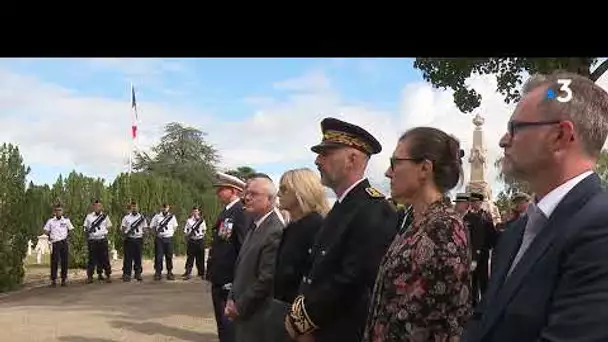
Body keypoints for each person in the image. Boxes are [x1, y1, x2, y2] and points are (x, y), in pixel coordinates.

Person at [462, 72, 608, 342]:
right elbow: (483, 321)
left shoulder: (600, 231)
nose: (504, 140)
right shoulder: (517, 232)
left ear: (560, 136)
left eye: (515, 127)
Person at [284, 117, 398, 342]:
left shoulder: (374, 209)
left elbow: (352, 280)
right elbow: (315, 272)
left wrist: (305, 322)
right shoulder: (342, 206)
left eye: (326, 153)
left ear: (352, 159)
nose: (317, 160)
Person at [363, 127, 472, 341]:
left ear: (424, 168)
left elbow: (421, 321)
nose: (388, 172)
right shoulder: (418, 222)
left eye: (396, 163)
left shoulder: (443, 229)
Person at [265, 168, 329, 342]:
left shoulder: (317, 227)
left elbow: (316, 280)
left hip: (299, 316)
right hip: (280, 308)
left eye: (284, 189)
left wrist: (303, 324)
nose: (279, 193)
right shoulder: (293, 227)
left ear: (301, 190)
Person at [225, 175, 284, 342]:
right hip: (244, 313)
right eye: (246, 193)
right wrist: (232, 298)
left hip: (257, 316)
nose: (247, 197)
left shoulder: (274, 231)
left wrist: (239, 306)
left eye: (254, 194)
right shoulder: (255, 225)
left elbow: (266, 278)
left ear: (270, 199)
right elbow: (242, 268)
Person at [207, 172, 251, 342]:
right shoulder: (228, 212)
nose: (217, 192)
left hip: (228, 279)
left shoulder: (239, 212)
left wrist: (237, 279)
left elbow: (242, 248)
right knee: (222, 324)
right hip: (220, 277)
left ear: (233, 190)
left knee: (229, 325)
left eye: (221, 189)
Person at [464, 191, 495, 306]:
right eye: (472, 201)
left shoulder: (486, 216)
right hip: (471, 252)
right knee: (473, 281)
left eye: (476, 201)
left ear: (481, 202)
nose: (473, 203)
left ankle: (485, 305)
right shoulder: (467, 217)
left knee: (484, 279)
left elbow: (491, 235)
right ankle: (474, 304)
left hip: (483, 253)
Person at [43, 203, 75, 287]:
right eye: (57, 210)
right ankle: (53, 280)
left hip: (63, 242)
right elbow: (46, 230)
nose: (58, 212)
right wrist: (50, 236)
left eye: (60, 210)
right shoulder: (50, 221)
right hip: (55, 243)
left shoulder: (66, 220)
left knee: (64, 261)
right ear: (54, 212)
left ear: (62, 211)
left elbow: (71, 229)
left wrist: (68, 238)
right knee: (54, 262)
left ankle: (63, 280)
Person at [83, 199, 113, 283]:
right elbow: (85, 227)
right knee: (92, 259)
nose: (97, 207)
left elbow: (109, 226)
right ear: (93, 207)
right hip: (92, 240)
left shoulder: (105, 216)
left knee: (105, 258)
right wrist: (88, 233)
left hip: (102, 239)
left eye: (99, 206)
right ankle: (90, 276)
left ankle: (107, 275)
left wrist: (103, 232)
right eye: (96, 206)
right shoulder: (89, 216)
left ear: (101, 207)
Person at [120, 201, 147, 282]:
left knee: (138, 257)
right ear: (130, 208)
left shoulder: (142, 218)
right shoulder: (126, 218)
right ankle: (127, 274)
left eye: (135, 206)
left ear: (138, 207)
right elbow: (123, 228)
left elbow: (145, 229)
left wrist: (145, 239)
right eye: (132, 207)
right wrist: (123, 236)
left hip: (138, 239)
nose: (134, 208)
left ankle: (138, 273)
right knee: (128, 258)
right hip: (129, 239)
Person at [150, 203, 178, 281]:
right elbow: (152, 226)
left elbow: (175, 227)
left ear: (168, 208)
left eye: (166, 207)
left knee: (169, 256)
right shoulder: (157, 216)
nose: (165, 208)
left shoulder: (172, 217)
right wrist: (156, 235)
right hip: (159, 239)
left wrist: (169, 233)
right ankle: (158, 272)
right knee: (158, 256)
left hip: (168, 238)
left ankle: (169, 272)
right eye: (164, 207)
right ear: (161, 208)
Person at [182, 206, 207, 280]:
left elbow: (204, 230)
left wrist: (201, 235)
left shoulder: (202, 221)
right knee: (190, 257)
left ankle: (201, 273)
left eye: (196, 211)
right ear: (192, 212)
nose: (195, 212)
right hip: (192, 240)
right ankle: (188, 272)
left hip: (200, 240)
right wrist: (188, 234)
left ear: (199, 212)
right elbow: (185, 230)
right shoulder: (189, 221)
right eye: (194, 211)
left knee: (201, 257)